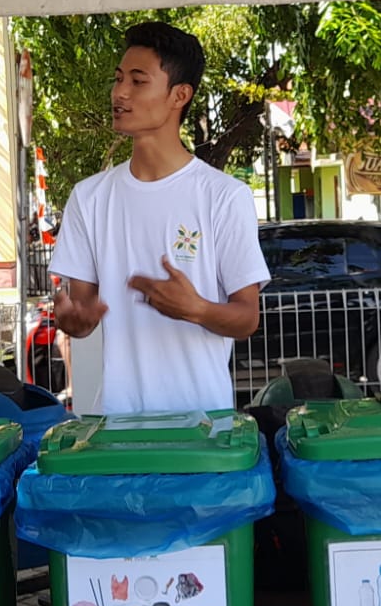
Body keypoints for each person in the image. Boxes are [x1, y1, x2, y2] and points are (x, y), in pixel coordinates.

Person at [48, 21, 269, 413]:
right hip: (119, 425)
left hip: (204, 427)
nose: (119, 93)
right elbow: (82, 317)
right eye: (118, 79)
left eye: (138, 81)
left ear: (179, 95)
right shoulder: (89, 197)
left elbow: (246, 318)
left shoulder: (223, 196)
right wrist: (74, 321)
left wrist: (197, 308)